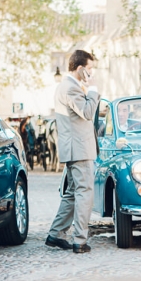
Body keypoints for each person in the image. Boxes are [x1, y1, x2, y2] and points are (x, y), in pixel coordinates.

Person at [46, 49, 100, 254]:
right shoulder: (71, 88)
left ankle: (56, 234)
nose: (92, 72)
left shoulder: (67, 86)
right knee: (84, 192)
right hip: (80, 149)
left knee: (71, 193)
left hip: (74, 148)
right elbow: (87, 112)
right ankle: (79, 240)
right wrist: (93, 89)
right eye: (90, 68)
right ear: (80, 69)